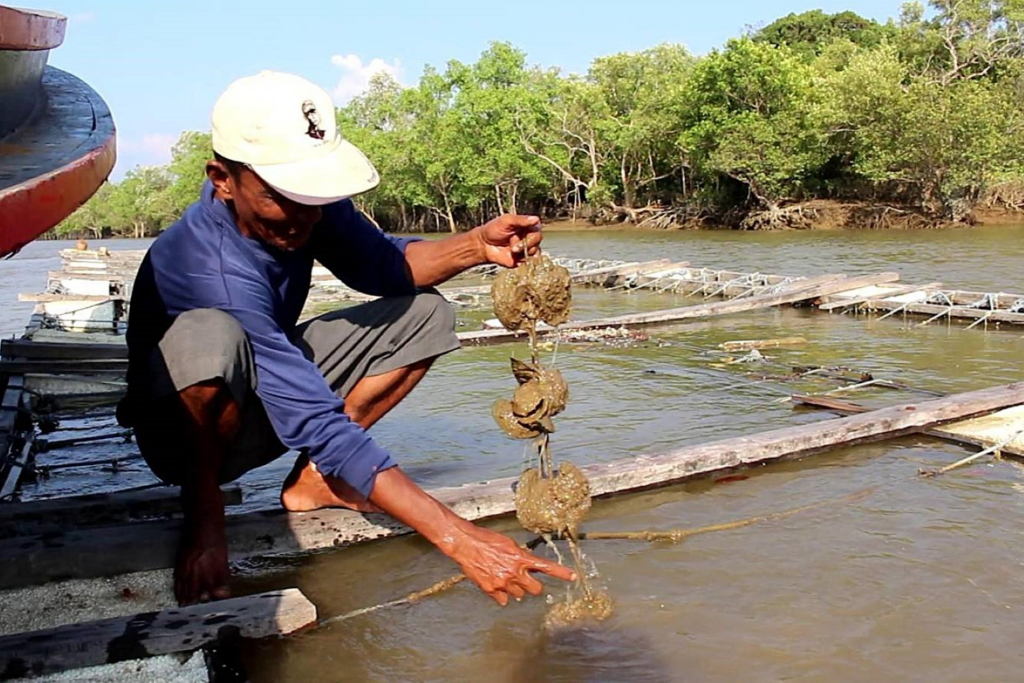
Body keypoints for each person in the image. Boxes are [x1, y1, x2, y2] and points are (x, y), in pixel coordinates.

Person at [116, 70, 575, 607]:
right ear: (222, 178)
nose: (303, 216)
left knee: (425, 314)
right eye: (281, 197)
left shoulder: (306, 203)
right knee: (210, 337)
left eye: (313, 195)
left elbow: (386, 265)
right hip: (182, 436)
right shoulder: (205, 263)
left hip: (260, 398)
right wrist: (458, 537)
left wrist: (477, 245)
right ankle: (204, 509)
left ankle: (314, 483)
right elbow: (313, 418)